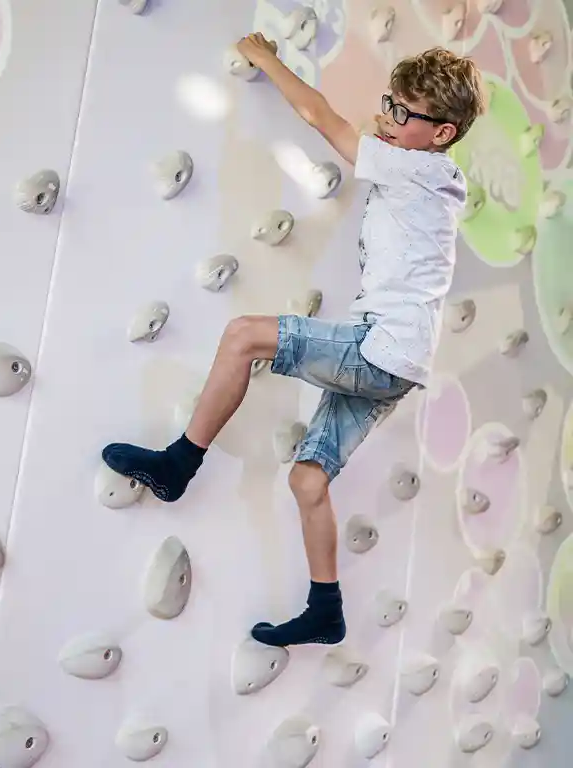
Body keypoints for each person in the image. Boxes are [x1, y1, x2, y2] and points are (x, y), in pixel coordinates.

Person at [101, 38, 487, 647]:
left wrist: (267, 57)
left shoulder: (417, 168)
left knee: (243, 335)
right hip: (399, 360)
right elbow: (365, 127)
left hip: (378, 346)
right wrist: (391, 123)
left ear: (442, 134)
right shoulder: (430, 173)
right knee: (309, 479)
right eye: (390, 104)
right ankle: (325, 608)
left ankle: (178, 463)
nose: (388, 120)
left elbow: (320, 117)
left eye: (403, 115)